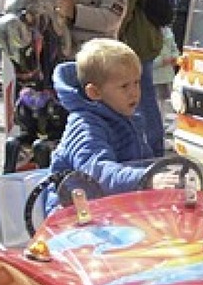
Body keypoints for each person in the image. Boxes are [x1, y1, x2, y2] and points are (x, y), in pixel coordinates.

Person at [48, 38, 175, 212]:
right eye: (124, 86)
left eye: (137, 83)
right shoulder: (85, 125)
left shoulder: (127, 116)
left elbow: (142, 160)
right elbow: (97, 172)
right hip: (75, 215)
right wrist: (146, 178)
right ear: (95, 92)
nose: (134, 93)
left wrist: (160, 175)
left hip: (113, 207)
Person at [102, 0, 165, 157]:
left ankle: (151, 148)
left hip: (136, 36)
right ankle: (152, 146)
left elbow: (126, 2)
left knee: (141, 94)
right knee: (143, 90)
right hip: (148, 33)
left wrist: (113, 31)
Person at [152, 25, 179, 147]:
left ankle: (166, 131)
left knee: (167, 103)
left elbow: (174, 48)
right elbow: (147, 59)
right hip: (154, 77)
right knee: (156, 107)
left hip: (167, 76)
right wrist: (161, 61)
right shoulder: (150, 31)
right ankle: (158, 135)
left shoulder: (168, 31)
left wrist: (175, 57)